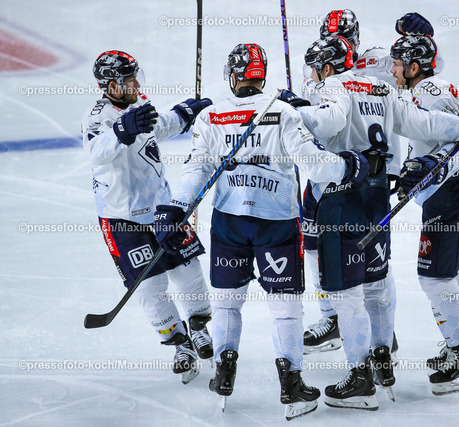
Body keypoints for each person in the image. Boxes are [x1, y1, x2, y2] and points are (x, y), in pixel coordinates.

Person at [153, 43, 368, 420]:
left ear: (233, 76)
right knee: (285, 308)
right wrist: (348, 167)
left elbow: (196, 168)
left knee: (226, 303)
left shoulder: (211, 116)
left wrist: (176, 207)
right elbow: (313, 164)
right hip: (276, 224)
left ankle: (223, 374)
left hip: (229, 223)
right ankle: (292, 385)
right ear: (261, 75)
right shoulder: (283, 111)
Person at [278, 35, 459, 409]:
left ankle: (360, 379)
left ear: (328, 68)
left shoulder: (335, 86)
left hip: (341, 197)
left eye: (315, 69)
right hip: (376, 197)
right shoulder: (381, 88)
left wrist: (290, 112)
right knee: (376, 283)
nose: (312, 76)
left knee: (345, 293)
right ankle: (382, 358)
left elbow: (328, 121)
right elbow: (422, 123)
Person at [81, 50, 214, 384]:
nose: (137, 85)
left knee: (188, 272)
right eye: (130, 80)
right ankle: (181, 345)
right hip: (121, 219)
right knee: (150, 289)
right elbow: (96, 153)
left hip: (161, 209)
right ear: (111, 85)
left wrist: (184, 115)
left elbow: (158, 126)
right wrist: (120, 132)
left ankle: (199, 328)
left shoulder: (138, 103)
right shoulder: (96, 117)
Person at [390, 34, 459, 395]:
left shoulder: (429, 92)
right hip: (456, 192)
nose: (393, 70)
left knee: (435, 277)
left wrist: (430, 165)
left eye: (398, 63)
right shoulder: (428, 89)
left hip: (454, 195)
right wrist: (414, 170)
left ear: (414, 66)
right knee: (450, 274)